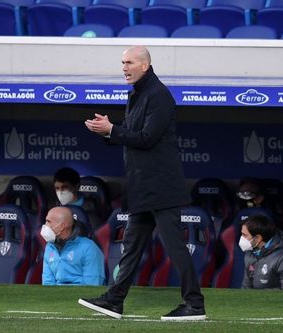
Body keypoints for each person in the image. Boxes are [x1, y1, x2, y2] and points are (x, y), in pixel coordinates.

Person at [79, 45, 206, 321]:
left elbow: (146, 138)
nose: (124, 67)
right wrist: (109, 129)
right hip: (142, 187)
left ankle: (194, 304)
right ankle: (114, 300)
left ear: (145, 66)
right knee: (132, 246)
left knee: (174, 247)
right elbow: (131, 133)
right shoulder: (138, 94)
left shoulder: (158, 95)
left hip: (160, 187)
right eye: (122, 62)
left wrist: (113, 130)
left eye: (129, 63)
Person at [40, 206, 105, 285]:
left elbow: (92, 285)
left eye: (48, 221)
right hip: (56, 296)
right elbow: (47, 283)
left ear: (62, 226)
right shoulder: (49, 247)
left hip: (81, 295)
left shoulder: (88, 248)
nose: (45, 226)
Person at [239, 214, 283, 290]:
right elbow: (245, 291)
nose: (242, 238)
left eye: (245, 235)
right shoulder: (249, 254)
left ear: (258, 238)